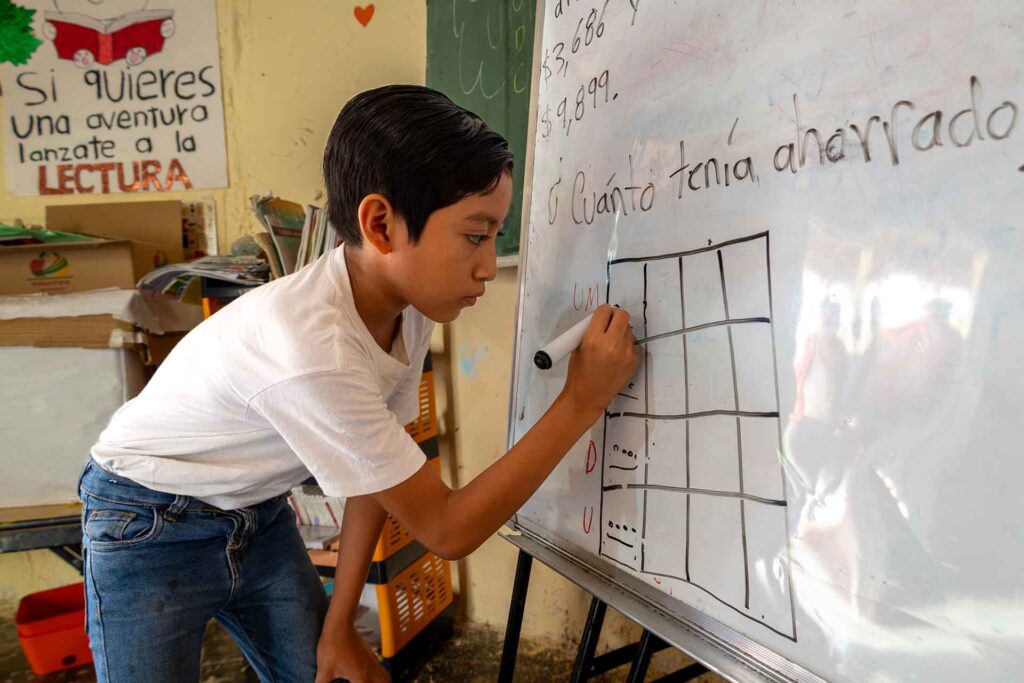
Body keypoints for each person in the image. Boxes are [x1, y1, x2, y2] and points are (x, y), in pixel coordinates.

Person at [79, 84, 638, 683]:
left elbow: (378, 473)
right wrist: (582, 401)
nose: (487, 264)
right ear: (380, 224)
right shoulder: (314, 348)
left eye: (496, 237)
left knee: (323, 671)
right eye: (476, 236)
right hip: (145, 521)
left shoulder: (409, 306)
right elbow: (448, 529)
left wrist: (340, 625)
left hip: (258, 517)